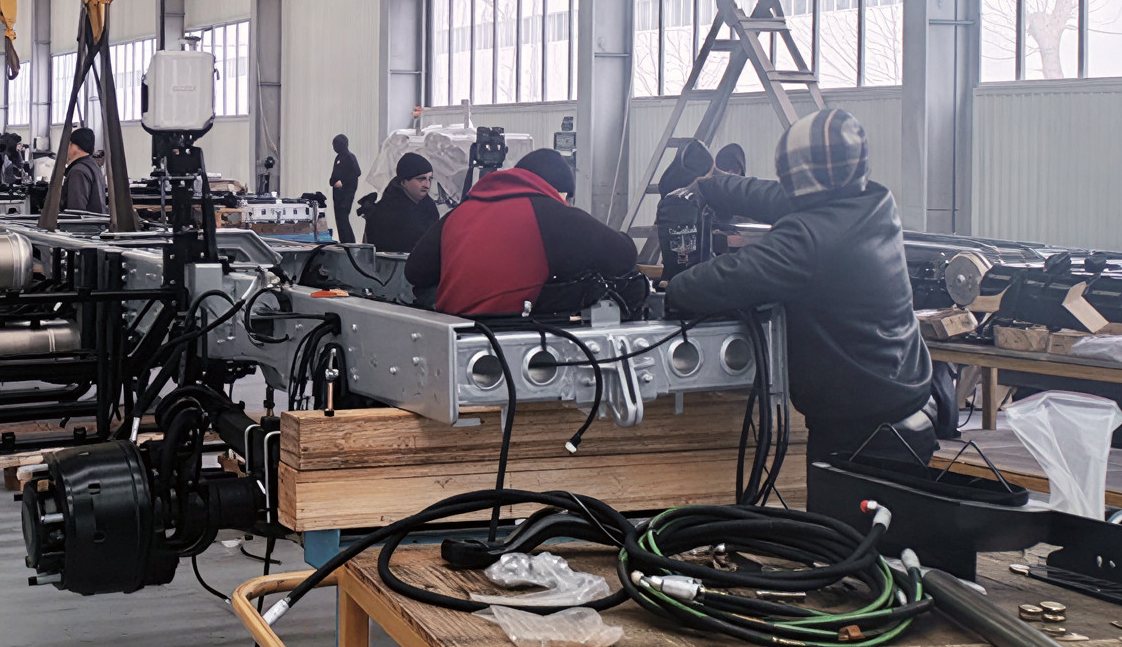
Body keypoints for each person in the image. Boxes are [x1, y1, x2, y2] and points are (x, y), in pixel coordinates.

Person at [666, 110, 947, 462]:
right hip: (904, 407)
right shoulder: (873, 200)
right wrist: (710, 185)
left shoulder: (808, 240)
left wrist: (673, 283)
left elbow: (707, 285)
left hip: (863, 436)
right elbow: (771, 197)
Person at [405, 149, 637, 316]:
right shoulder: (552, 213)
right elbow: (624, 256)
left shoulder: (461, 211)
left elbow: (415, 272)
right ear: (558, 190)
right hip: (513, 330)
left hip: (454, 328)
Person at [360, 151, 439, 253]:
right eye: (421, 179)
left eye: (429, 179)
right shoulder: (385, 213)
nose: (427, 185)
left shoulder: (430, 209)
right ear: (404, 182)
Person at [60, 127, 108, 213]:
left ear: (74, 146)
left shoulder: (78, 171)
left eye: (69, 144)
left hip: (85, 221)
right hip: (96, 220)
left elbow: (76, 211)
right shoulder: (93, 166)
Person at [328, 134, 360, 244]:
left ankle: (349, 242)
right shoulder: (338, 158)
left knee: (343, 218)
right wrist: (332, 181)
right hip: (338, 194)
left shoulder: (349, 157)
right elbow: (335, 174)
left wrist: (343, 182)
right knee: (339, 219)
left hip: (346, 194)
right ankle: (344, 241)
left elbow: (356, 172)